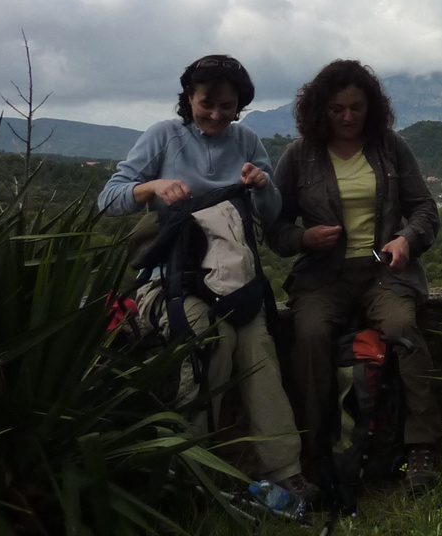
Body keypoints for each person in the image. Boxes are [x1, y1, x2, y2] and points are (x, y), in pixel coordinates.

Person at [98, 54, 314, 514]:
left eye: (227, 106)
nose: (216, 114)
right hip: (171, 281)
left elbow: (271, 213)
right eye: (206, 104)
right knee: (205, 340)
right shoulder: (164, 136)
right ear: (189, 99)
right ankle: (192, 466)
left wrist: (262, 185)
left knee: (259, 351)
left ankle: (285, 471)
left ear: (239, 106)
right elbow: (109, 199)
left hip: (233, 278)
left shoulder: (247, 140)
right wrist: (152, 187)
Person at [268, 59, 442, 493]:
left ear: (371, 107)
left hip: (384, 272)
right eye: (337, 109)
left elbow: (424, 209)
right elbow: (274, 228)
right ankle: (317, 449)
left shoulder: (390, 147)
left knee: (402, 328)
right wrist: (305, 238)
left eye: (356, 107)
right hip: (323, 276)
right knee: (310, 336)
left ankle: (421, 446)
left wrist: (406, 240)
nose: (347, 117)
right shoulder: (300, 156)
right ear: (320, 109)